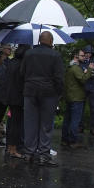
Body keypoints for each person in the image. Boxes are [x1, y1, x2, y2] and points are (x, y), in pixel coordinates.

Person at [21, 31, 65, 166]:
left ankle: (29, 153)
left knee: (30, 123)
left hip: (30, 91)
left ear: (39, 40)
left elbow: (22, 72)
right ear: (51, 41)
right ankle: (43, 154)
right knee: (46, 124)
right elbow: (59, 77)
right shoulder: (55, 55)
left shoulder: (29, 54)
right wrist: (59, 92)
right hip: (48, 93)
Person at [62, 48, 93, 148]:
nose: (84, 57)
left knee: (67, 119)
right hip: (77, 98)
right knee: (75, 120)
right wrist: (89, 69)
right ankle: (73, 140)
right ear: (76, 56)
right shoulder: (75, 68)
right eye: (82, 56)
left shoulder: (69, 67)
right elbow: (83, 79)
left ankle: (65, 139)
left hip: (69, 97)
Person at [4, 44, 29, 159]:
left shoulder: (11, 63)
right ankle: (14, 148)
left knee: (11, 122)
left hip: (9, 95)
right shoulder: (22, 65)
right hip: (18, 98)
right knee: (16, 124)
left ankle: (9, 146)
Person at [81, 44, 94, 136]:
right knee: (81, 107)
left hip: (93, 87)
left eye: (89, 53)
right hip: (83, 86)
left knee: (93, 108)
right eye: (86, 53)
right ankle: (80, 126)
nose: (88, 55)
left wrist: (91, 73)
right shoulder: (82, 61)